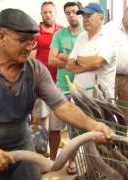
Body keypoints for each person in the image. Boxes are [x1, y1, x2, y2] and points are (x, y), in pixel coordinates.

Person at [0, 8, 111, 180]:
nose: (29, 48)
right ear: (2, 37)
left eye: (32, 42)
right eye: (23, 41)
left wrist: (93, 125)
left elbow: (62, 106)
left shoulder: (35, 70)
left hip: (20, 147)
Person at [48, 1, 83, 175]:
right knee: (54, 126)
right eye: (68, 12)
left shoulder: (86, 35)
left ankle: (71, 161)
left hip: (80, 90)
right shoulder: (59, 35)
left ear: (80, 13)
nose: (71, 15)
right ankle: (52, 160)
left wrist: (63, 57)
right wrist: (73, 61)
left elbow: (86, 63)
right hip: (60, 87)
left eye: (74, 12)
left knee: (75, 129)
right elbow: (51, 60)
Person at [66, 2, 117, 98]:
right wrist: (89, 65)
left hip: (100, 98)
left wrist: (77, 60)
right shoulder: (81, 37)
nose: (85, 19)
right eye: (84, 16)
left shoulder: (110, 38)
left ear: (101, 18)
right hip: (79, 96)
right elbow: (69, 65)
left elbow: (97, 63)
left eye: (89, 16)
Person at [31, 1, 63, 143]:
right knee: (43, 116)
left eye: (50, 12)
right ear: (41, 14)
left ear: (55, 13)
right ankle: (42, 147)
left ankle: (53, 145)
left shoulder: (62, 31)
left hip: (60, 80)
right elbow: (31, 59)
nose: (48, 15)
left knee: (57, 116)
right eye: (45, 12)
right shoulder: (35, 32)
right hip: (42, 81)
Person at [105, 4, 128, 125]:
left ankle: (122, 141)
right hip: (111, 76)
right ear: (125, 12)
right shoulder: (110, 28)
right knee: (108, 109)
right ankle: (108, 142)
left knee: (124, 112)